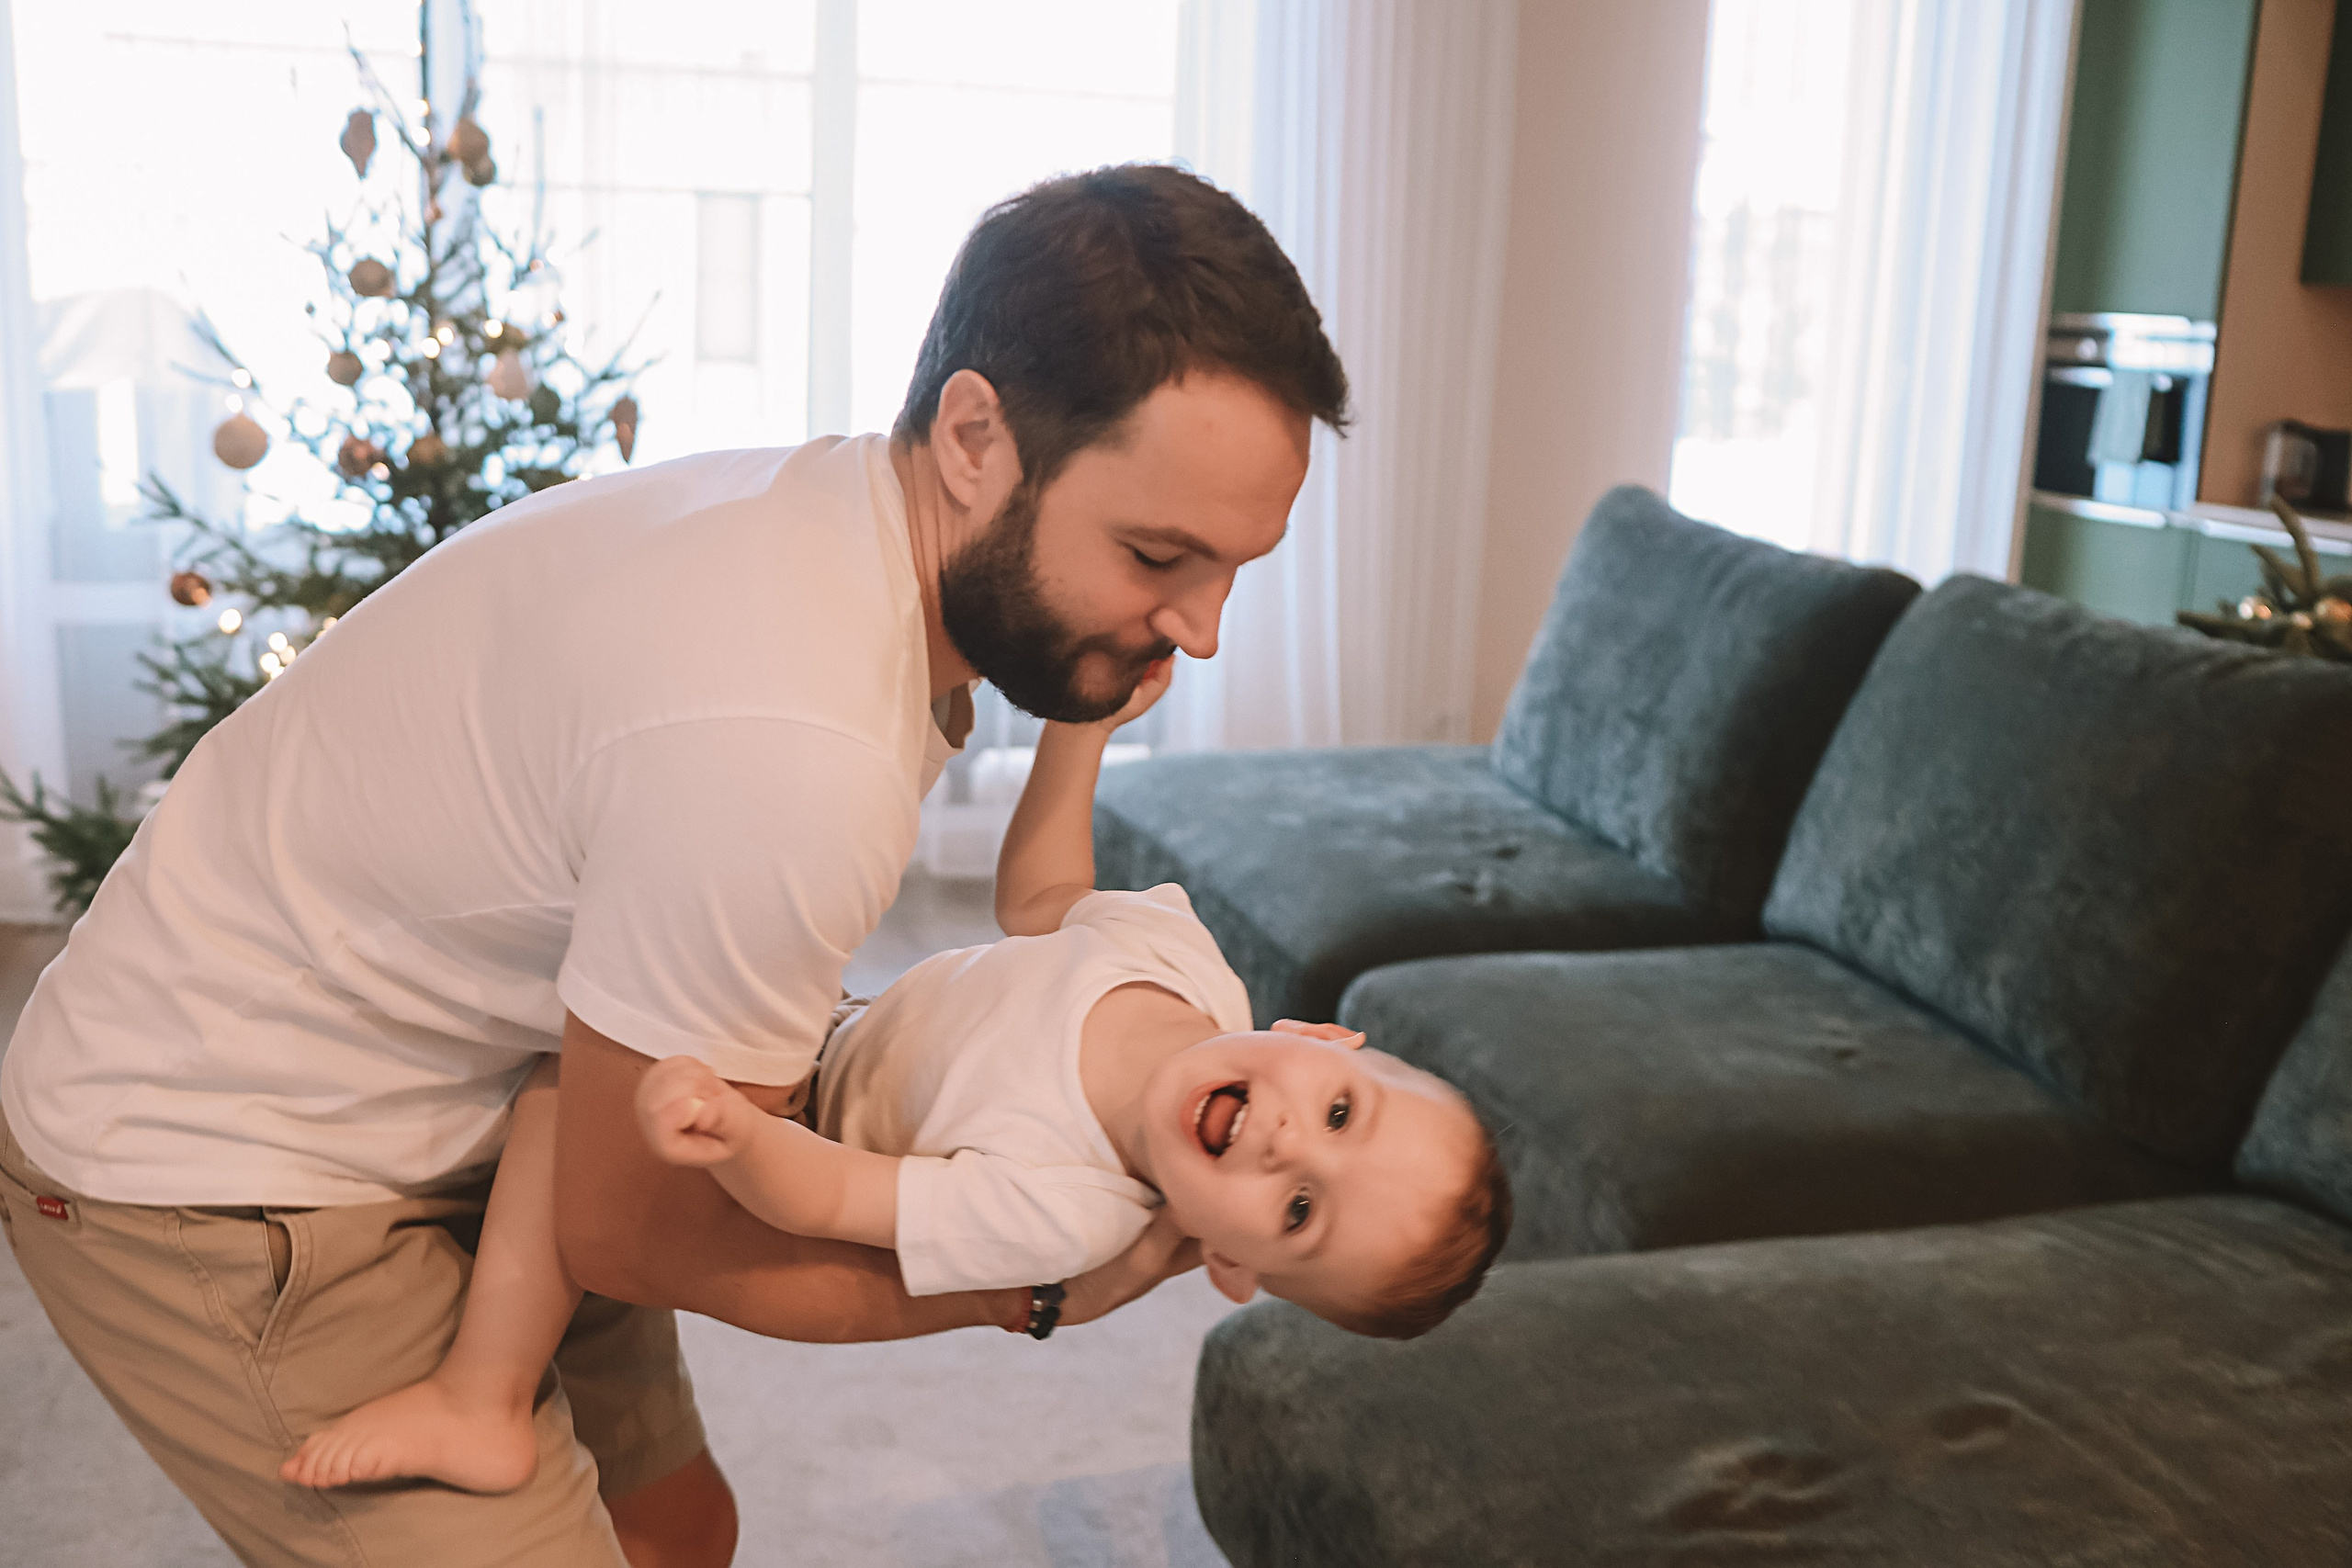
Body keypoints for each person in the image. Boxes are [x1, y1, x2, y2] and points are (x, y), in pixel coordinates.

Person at [0, 164, 1350, 1567]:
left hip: (484, 1075)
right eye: (1157, 555)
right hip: (215, 1155)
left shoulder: (843, 521)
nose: (1198, 631)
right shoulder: (790, 739)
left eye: (1234, 569)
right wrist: (1034, 1291)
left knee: (675, 1529)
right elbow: (642, 1234)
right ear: (973, 436)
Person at [275, 659, 1512, 1494]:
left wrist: (736, 1138)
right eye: (1342, 1113)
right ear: (1323, 1040)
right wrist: (1080, 731)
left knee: (561, 1088)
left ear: (1229, 1265)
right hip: (835, 1020)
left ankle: (480, 1399)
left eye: (1301, 1211)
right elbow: (1038, 901)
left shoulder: (1071, 1208)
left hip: (795, 1125)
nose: (1292, 1145)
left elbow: (837, 1205)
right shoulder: (1186, 966)